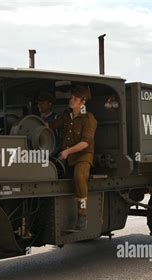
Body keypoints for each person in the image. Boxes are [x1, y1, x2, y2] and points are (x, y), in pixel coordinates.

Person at [48, 85, 97, 232]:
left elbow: (85, 143)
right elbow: (51, 125)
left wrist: (68, 151)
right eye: (72, 97)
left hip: (83, 156)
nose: (72, 100)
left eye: (75, 98)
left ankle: (82, 215)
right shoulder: (66, 115)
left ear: (83, 101)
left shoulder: (88, 118)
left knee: (79, 176)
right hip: (67, 155)